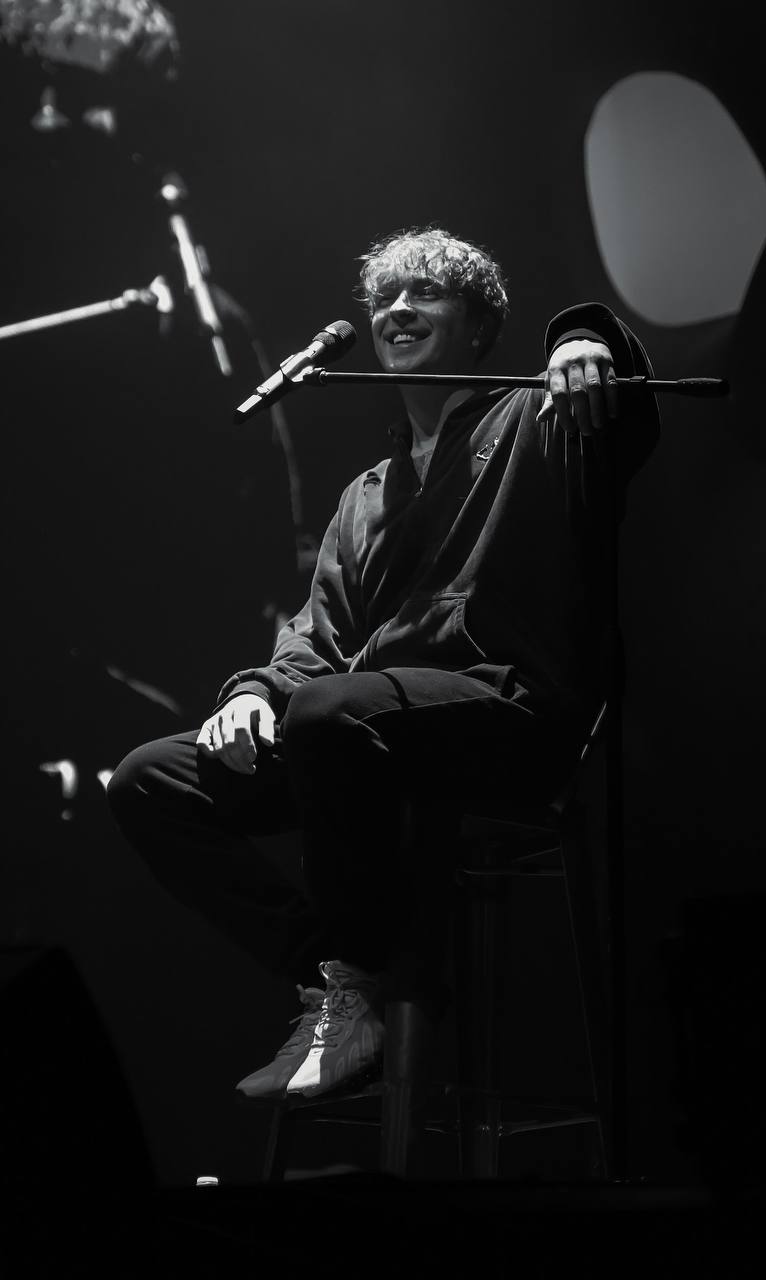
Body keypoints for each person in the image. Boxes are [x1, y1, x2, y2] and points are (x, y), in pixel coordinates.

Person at [106, 225, 659, 1102]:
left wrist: (584, 338)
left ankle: (365, 976)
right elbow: (317, 635)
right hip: (357, 733)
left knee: (329, 712)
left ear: (477, 326)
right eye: (384, 299)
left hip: (507, 710)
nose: (397, 309)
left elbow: (619, 415)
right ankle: (338, 979)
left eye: (424, 293)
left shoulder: (537, 415)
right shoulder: (364, 492)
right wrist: (253, 692)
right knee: (152, 780)